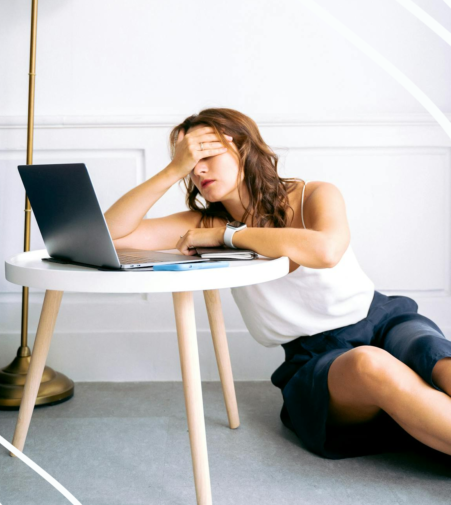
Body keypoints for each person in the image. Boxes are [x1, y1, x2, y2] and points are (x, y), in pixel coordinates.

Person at [104, 107, 451, 460]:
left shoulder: (313, 195)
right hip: (317, 356)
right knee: (369, 365)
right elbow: (111, 235)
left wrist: (229, 236)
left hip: (383, 319)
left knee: (438, 360)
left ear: (242, 147)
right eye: (189, 162)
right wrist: (170, 171)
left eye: (206, 154)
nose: (198, 170)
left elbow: (326, 250)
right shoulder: (201, 223)